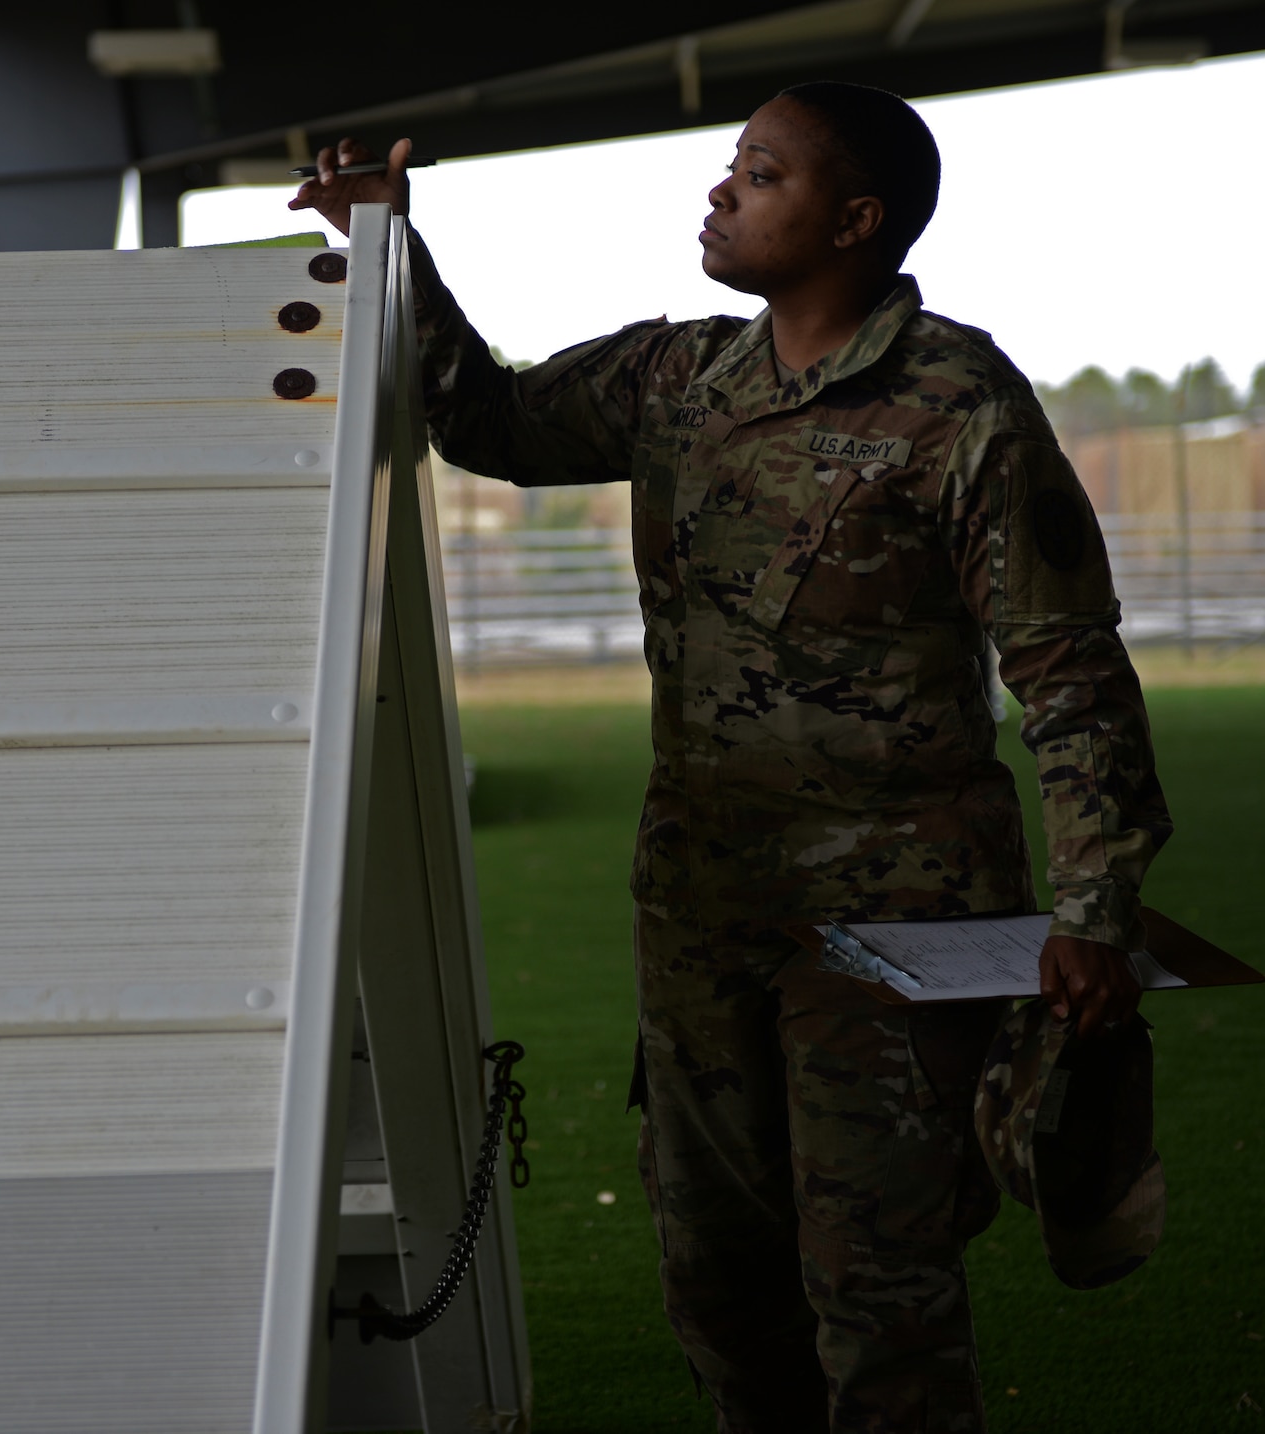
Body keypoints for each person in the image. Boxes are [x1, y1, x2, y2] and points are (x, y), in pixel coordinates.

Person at [292, 82, 1172, 1434]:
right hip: (704, 906)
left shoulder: (958, 401)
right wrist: (390, 241)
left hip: (897, 928)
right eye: (732, 167)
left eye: (762, 176)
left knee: (880, 1294)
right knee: (717, 1284)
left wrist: (1096, 905)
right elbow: (491, 419)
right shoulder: (678, 380)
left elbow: (1067, 661)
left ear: (855, 222)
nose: (721, 193)